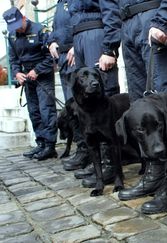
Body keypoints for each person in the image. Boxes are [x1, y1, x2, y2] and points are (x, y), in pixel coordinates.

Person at [116, 0, 167, 214]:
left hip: (154, 15)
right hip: (127, 24)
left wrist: (166, 16)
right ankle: (154, 176)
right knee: (139, 105)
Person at [64, 0, 122, 187]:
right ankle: (93, 159)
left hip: (96, 32)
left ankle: (109, 164)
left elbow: (110, 8)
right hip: (80, 35)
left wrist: (109, 46)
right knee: (83, 92)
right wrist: (76, 39)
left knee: (104, 91)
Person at [3, 7, 58, 161]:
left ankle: (50, 145)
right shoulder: (12, 35)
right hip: (27, 78)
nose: (17, 30)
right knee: (34, 111)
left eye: (19, 26)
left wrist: (37, 70)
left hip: (43, 75)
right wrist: (16, 73)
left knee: (46, 110)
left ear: (24, 18)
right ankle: (40, 143)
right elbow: (13, 59)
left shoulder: (41, 30)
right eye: (14, 28)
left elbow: (51, 57)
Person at [47, 0, 88, 172]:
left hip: (75, 55)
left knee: (81, 107)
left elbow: (82, 20)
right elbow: (56, 28)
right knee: (71, 108)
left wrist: (75, 44)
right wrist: (50, 42)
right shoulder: (59, 4)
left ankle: (87, 149)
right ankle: (81, 147)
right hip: (63, 58)